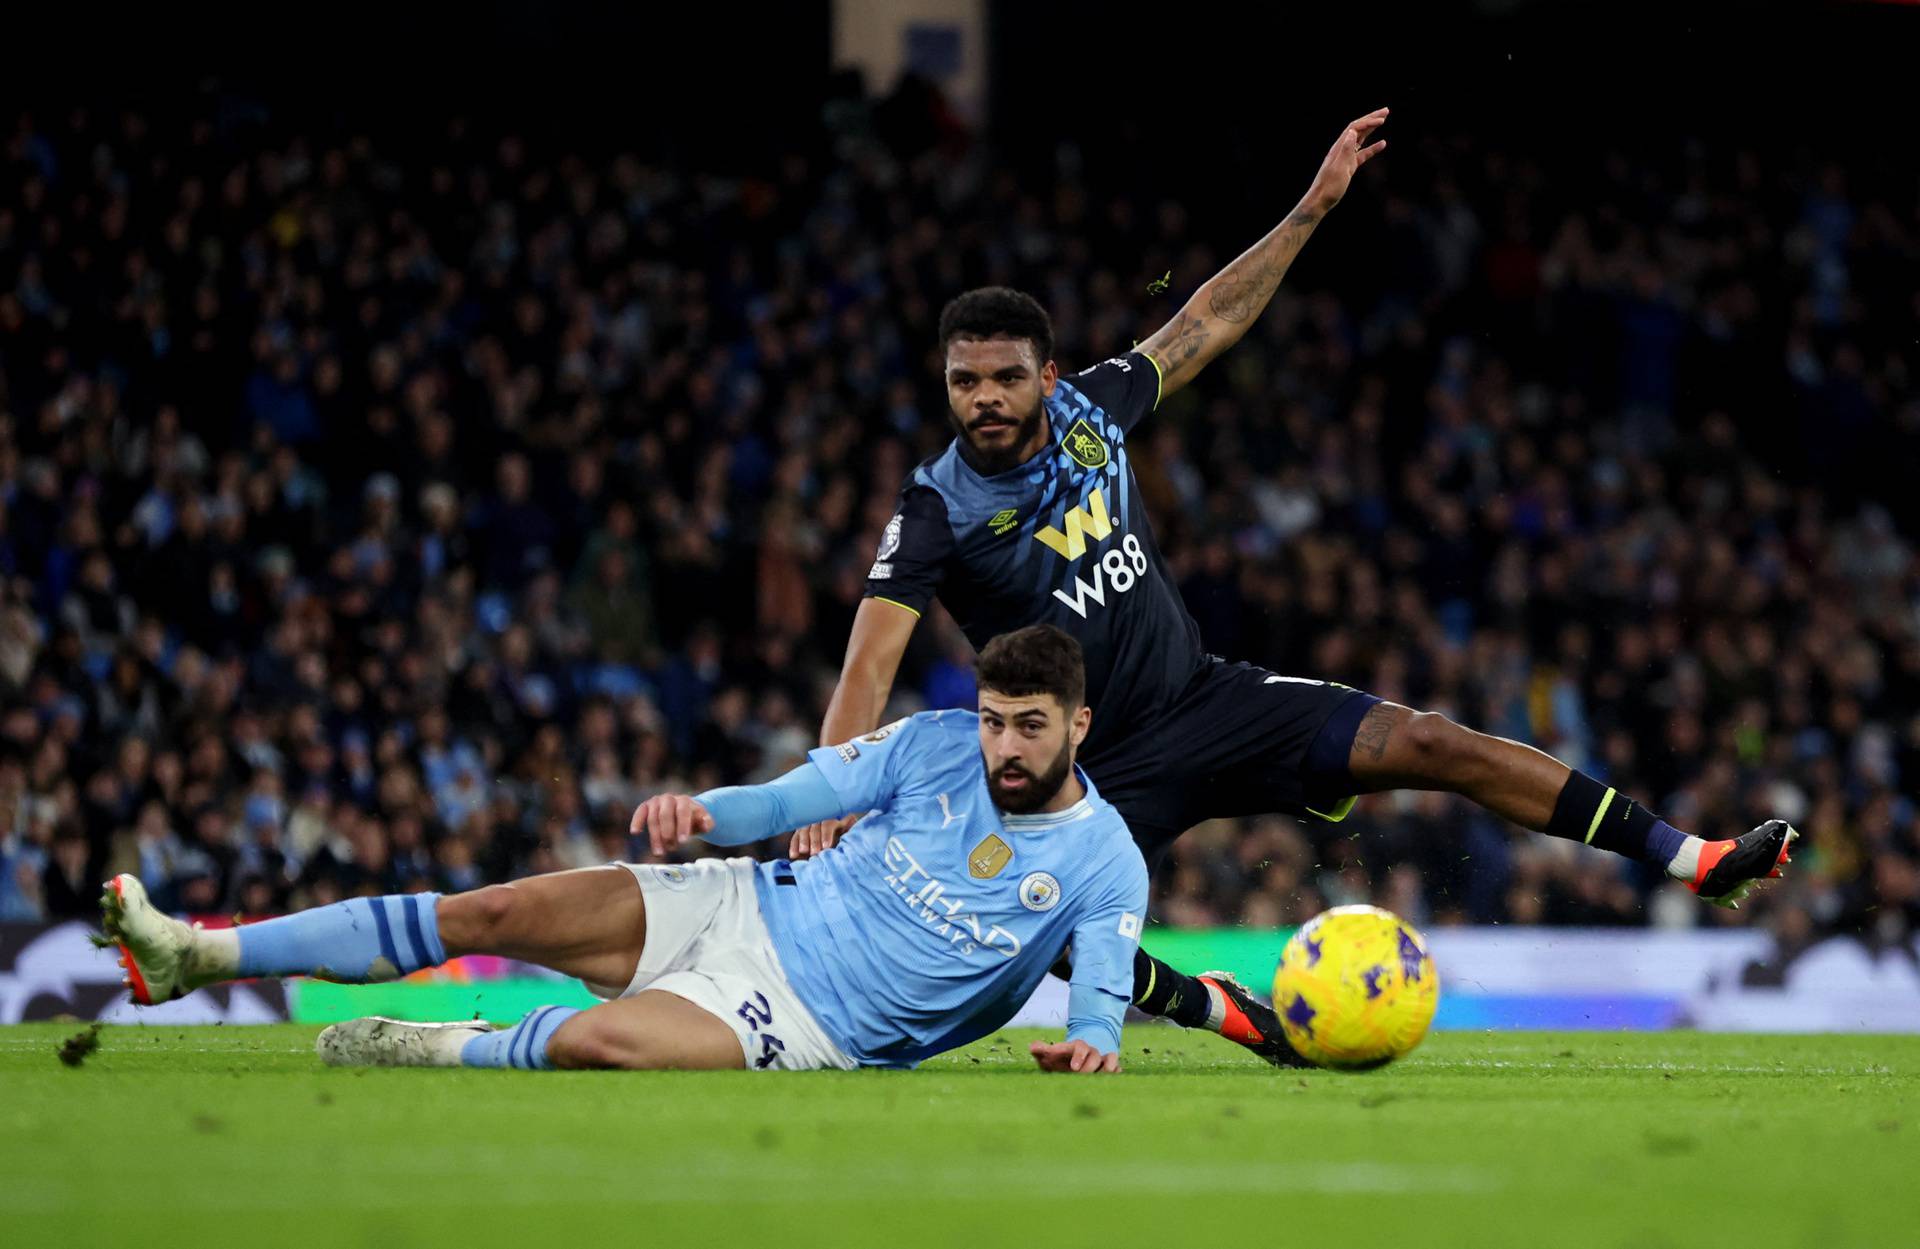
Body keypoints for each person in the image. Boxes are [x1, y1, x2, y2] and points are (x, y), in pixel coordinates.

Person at [797, 108, 1797, 1066]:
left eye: (1003, 378)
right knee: (1041, 919)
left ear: (1048, 378)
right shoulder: (934, 512)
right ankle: (1223, 1013)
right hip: (1090, 768)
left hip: (1203, 698)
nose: (983, 400)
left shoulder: (1095, 411)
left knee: (1430, 739)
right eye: (963, 381)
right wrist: (826, 790)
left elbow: (1207, 319)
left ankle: (1694, 861)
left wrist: (1313, 208)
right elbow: (869, 662)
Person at [102, 626, 1148, 1074]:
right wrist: (702, 811)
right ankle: (194, 953)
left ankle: (431, 1044)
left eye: (1029, 726)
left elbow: (1100, 992)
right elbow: (790, 794)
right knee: (494, 912)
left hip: (808, 1021)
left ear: (1079, 725)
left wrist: (1090, 1041)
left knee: (595, 1045)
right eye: (994, 720)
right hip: (745, 899)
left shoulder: (1105, 860)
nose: (1003, 746)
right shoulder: (932, 745)